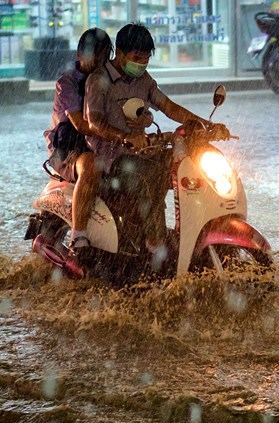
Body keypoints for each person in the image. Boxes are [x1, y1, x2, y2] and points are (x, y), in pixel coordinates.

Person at [83, 23, 213, 256]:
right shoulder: (98, 80)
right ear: (120, 53)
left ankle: (187, 234)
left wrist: (204, 125)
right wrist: (125, 137)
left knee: (185, 166)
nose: (141, 63)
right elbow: (94, 123)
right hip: (111, 161)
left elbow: (168, 106)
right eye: (137, 57)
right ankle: (155, 245)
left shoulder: (143, 80)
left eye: (146, 58)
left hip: (140, 155)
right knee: (149, 176)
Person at [43, 28, 112, 262]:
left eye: (104, 57)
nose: (99, 63)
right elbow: (80, 125)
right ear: (80, 54)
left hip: (102, 143)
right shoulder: (68, 82)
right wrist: (119, 133)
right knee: (91, 166)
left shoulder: (110, 78)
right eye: (95, 56)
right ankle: (78, 236)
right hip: (70, 148)